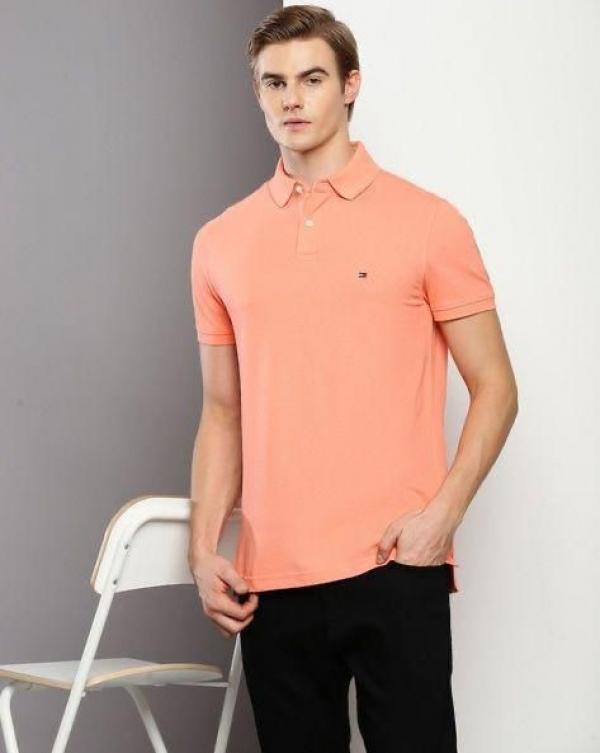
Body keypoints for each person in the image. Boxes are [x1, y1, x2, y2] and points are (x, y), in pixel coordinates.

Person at [187, 5, 518, 752]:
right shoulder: (220, 242)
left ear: (350, 85)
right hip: (272, 580)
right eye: (274, 83)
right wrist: (204, 552)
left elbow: (496, 386)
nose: (292, 99)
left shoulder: (428, 221)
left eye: (311, 79)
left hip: (394, 561)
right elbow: (221, 411)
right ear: (257, 93)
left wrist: (442, 517)